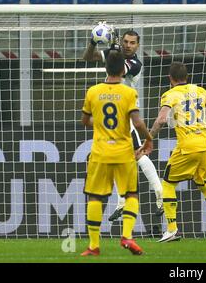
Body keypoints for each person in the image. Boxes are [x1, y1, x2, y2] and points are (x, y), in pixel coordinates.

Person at [140, 61, 206, 243]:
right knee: (203, 182)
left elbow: (162, 119)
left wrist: (149, 138)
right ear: (187, 77)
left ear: (170, 78)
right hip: (205, 144)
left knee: (168, 184)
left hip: (187, 145)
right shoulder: (200, 90)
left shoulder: (170, 94)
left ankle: (171, 229)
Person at [83, 28, 163, 220]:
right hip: (115, 118)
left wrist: (113, 46)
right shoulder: (115, 54)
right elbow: (87, 58)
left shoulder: (135, 63)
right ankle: (121, 202)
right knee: (120, 157)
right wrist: (94, 41)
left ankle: (160, 193)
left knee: (138, 154)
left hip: (126, 115)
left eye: (132, 43)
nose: (128, 45)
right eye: (125, 42)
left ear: (138, 45)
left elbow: (118, 68)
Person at [80, 49, 153, 256]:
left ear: (106, 68)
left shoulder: (93, 91)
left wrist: (100, 122)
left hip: (100, 152)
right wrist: (149, 138)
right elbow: (137, 123)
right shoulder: (129, 93)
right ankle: (127, 236)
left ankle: (94, 245)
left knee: (95, 197)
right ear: (123, 70)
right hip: (123, 152)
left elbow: (85, 121)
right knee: (131, 194)